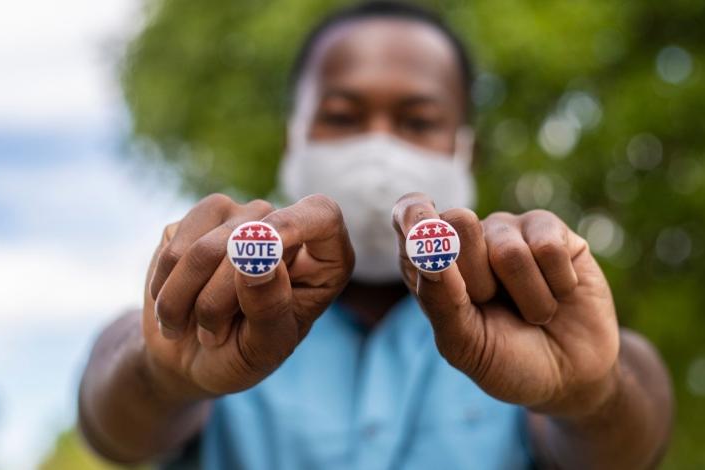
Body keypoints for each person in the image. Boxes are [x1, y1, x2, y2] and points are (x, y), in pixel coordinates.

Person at [77, 2, 674, 468]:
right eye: (342, 116)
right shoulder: (220, 299)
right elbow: (111, 419)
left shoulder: (526, 303)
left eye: (418, 121)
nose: (379, 147)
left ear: (463, 151)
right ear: (295, 141)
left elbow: (629, 436)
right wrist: (159, 375)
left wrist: (593, 396)